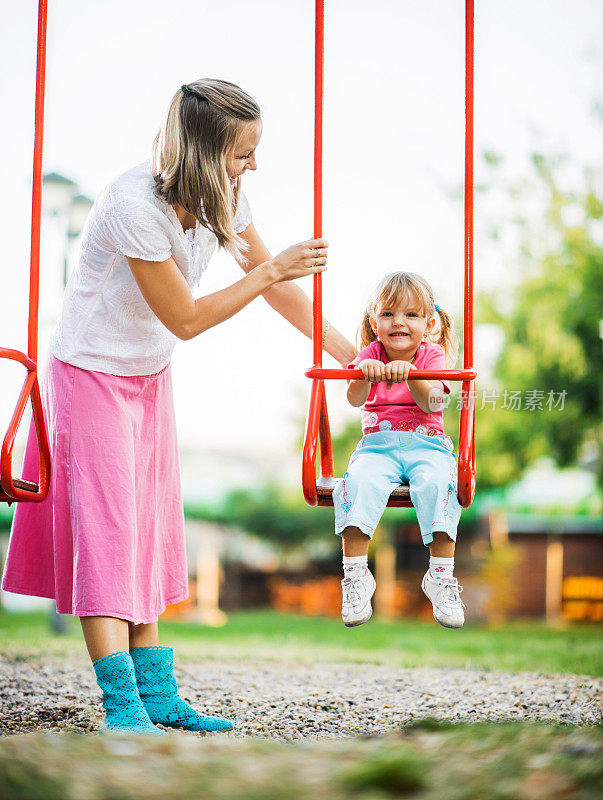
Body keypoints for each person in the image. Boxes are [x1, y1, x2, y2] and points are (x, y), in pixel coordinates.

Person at [2, 79, 356, 734]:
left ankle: (158, 694)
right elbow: (187, 317)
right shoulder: (133, 204)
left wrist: (348, 353)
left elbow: (279, 294)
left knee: (148, 532)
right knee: (108, 536)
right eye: (242, 153)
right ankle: (122, 705)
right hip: (89, 374)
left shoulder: (225, 195)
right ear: (201, 150)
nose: (253, 166)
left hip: (147, 374)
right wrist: (271, 269)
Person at [333, 271, 465, 629]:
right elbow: (354, 398)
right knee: (356, 483)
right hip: (377, 448)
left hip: (428, 446)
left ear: (429, 323)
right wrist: (364, 372)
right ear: (374, 322)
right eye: (388, 314)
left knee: (441, 484)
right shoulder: (369, 354)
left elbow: (434, 403)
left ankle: (440, 576)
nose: (399, 323)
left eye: (410, 315)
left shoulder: (432, 356)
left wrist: (412, 375)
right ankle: (357, 576)